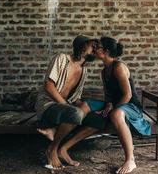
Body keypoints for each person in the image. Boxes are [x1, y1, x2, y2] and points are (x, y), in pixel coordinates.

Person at [58, 36, 151, 174]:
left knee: (116, 114)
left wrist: (113, 107)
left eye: (98, 47)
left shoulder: (118, 67)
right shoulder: (104, 71)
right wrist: (108, 105)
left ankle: (130, 160)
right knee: (86, 104)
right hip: (115, 105)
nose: (94, 49)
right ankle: (62, 147)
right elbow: (108, 96)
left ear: (106, 51)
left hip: (130, 107)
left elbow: (128, 95)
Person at [34, 35, 98, 169]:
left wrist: (85, 106)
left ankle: (61, 147)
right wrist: (66, 105)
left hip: (65, 106)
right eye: (92, 45)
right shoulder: (62, 58)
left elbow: (75, 97)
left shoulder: (84, 70)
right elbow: (48, 86)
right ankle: (52, 149)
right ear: (82, 45)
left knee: (97, 120)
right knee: (75, 114)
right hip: (48, 104)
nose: (95, 49)